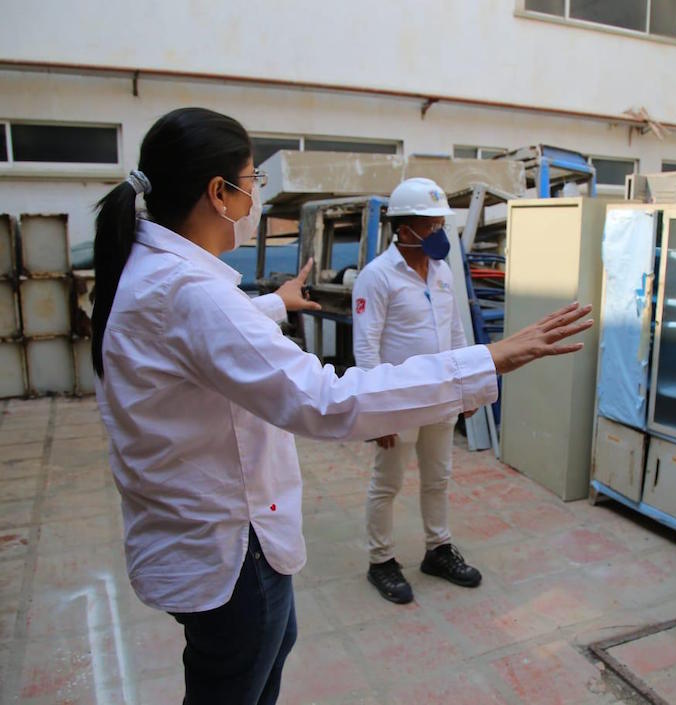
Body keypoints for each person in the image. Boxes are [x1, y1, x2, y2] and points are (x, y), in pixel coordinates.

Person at [91, 106, 592, 705]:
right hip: (229, 545)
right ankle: (384, 558)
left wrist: (275, 304)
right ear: (219, 193)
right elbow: (326, 396)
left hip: (243, 512)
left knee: (270, 650)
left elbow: (205, 339)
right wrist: (490, 360)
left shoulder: (161, 277)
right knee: (239, 675)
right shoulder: (191, 291)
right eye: (253, 182)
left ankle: (436, 545)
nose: (256, 198)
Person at [353, 178, 481, 604]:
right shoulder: (377, 277)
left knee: (438, 478)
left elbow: (457, 330)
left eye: (440, 223)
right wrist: (377, 411)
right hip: (400, 401)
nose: (438, 233)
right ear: (404, 228)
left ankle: (438, 550)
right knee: (387, 483)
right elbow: (366, 346)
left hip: (442, 394)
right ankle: (381, 560)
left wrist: (468, 388)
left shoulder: (443, 271)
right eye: (430, 225)